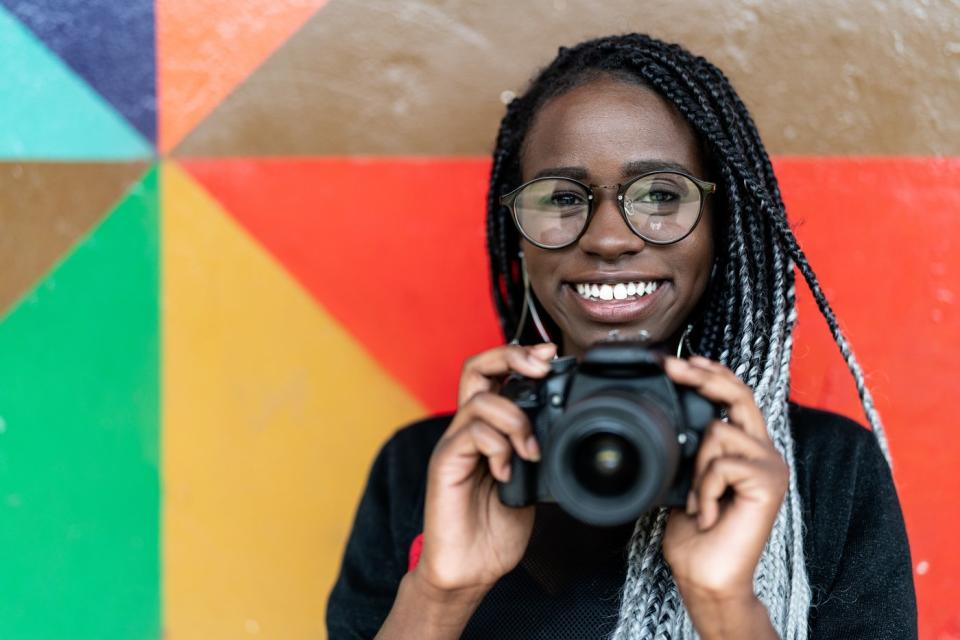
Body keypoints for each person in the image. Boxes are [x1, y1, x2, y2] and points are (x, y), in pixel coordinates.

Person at [326, 33, 916, 639]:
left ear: (721, 228)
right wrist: (441, 594)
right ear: (520, 241)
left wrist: (723, 603)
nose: (609, 238)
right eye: (561, 198)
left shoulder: (823, 470)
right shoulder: (436, 468)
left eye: (660, 194)